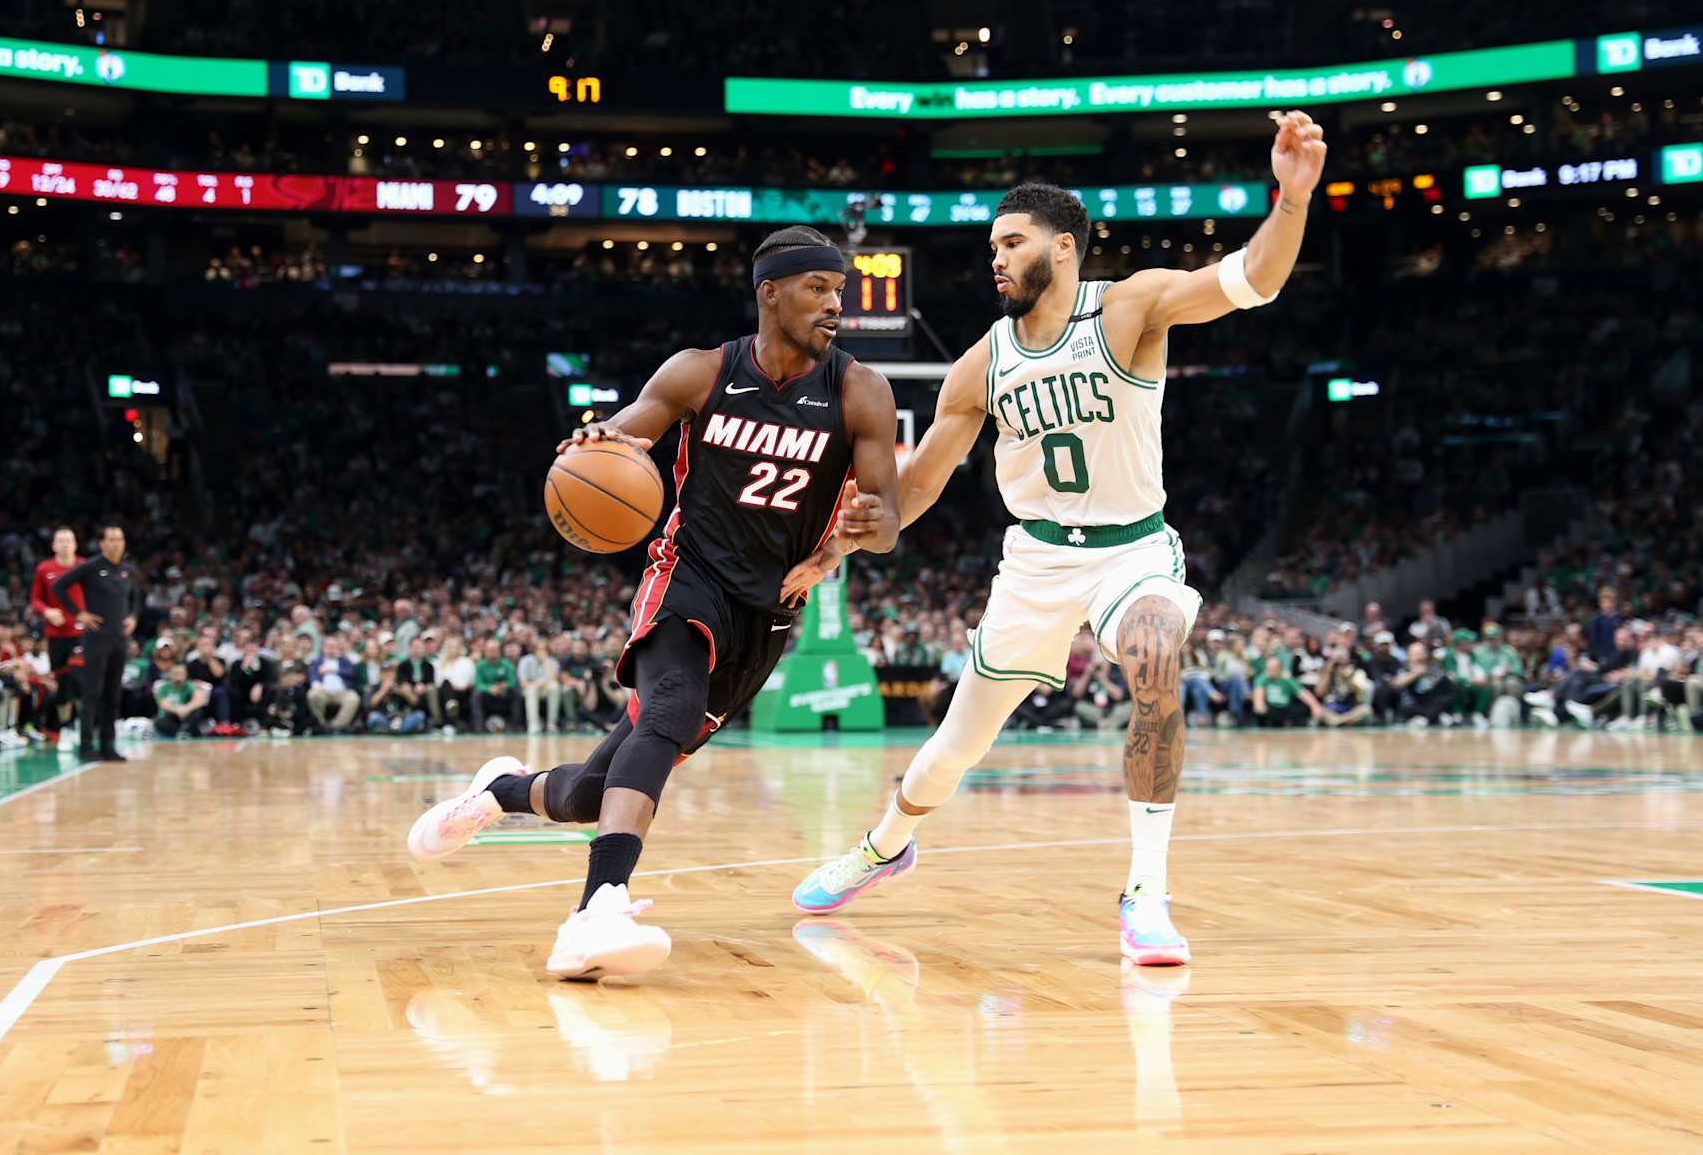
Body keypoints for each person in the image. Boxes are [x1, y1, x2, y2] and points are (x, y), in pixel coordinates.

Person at [786, 111, 1327, 967]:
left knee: (1154, 654)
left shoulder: (1133, 306)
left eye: (1011, 242)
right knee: (952, 750)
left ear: (1064, 246)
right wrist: (840, 547)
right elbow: (918, 484)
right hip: (1036, 560)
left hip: (1132, 550)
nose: (995, 257)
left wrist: (1290, 200)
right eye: (992, 246)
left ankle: (1146, 890)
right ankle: (886, 845)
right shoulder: (982, 362)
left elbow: (1253, 280)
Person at [409, 225, 900, 981]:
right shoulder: (702, 372)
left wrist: (861, 533)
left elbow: (887, 517)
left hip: (767, 610)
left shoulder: (861, 390)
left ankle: (497, 791)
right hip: (688, 574)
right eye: (819, 288)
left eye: (840, 290)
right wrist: (598, 440)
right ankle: (596, 911)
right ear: (771, 293)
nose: (837, 303)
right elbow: (626, 433)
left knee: (587, 795)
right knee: (666, 711)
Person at [51, 525, 140, 762]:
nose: (115, 543)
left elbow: (136, 598)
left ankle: (108, 745)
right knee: (92, 694)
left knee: (113, 694)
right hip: (96, 639)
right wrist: (78, 614)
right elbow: (59, 586)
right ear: (101, 543)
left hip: (119, 640)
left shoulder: (128, 570)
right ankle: (86, 746)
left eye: (119, 539)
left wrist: (133, 616)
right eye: (110, 539)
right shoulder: (90, 567)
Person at [29, 525, 85, 745]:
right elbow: (35, 599)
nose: (64, 543)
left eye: (68, 540)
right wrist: (47, 611)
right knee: (61, 683)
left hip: (80, 633)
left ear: (75, 544)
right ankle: (65, 726)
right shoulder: (44, 569)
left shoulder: (83, 567)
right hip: (55, 634)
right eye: (60, 540)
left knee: (78, 676)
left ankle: (82, 724)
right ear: (53, 545)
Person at [306, 635, 361, 733]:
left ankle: (336, 726)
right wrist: (316, 685)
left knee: (353, 698)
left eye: (333, 647)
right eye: (328, 646)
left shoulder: (344, 661)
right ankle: (321, 724)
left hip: (342, 692)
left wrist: (334, 670)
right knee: (312, 695)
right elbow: (312, 675)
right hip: (323, 692)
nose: (331, 649)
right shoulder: (317, 661)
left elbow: (352, 673)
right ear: (323, 648)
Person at [1252, 656, 1322, 727]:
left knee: (1303, 708)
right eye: (1268, 668)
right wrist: (1259, 704)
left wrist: (1314, 706)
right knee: (1260, 711)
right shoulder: (1262, 679)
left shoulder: (1287, 680)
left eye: (1273, 668)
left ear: (1279, 669)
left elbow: (1303, 693)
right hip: (1270, 708)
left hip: (1285, 708)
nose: (1271, 671)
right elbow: (1258, 695)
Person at [153, 661, 212, 738]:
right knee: (159, 721)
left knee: (198, 712)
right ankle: (183, 732)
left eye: (181, 674)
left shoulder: (188, 685)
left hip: (185, 716)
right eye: (176, 674)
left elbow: (200, 699)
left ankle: (184, 731)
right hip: (171, 716)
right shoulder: (164, 687)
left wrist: (187, 708)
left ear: (186, 674)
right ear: (170, 674)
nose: (178, 676)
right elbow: (164, 704)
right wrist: (177, 710)